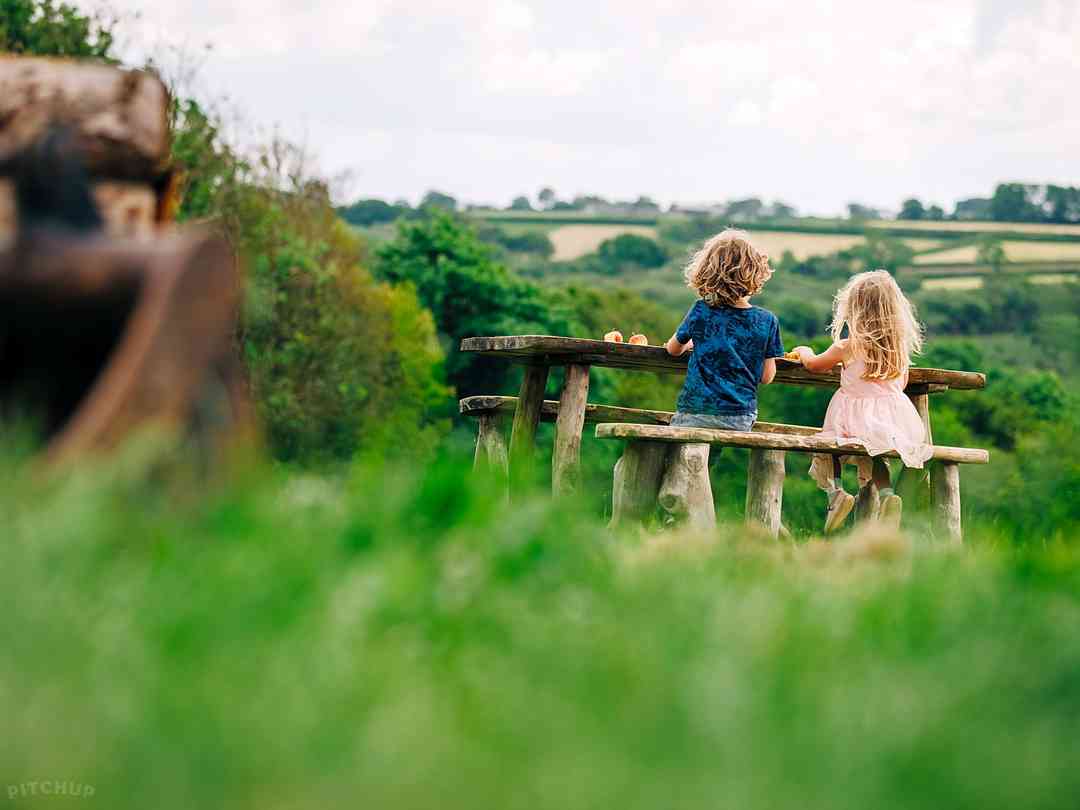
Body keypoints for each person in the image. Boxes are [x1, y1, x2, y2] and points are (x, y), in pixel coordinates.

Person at [791, 269, 932, 533]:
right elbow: (900, 384)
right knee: (876, 453)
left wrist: (803, 351)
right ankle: (889, 495)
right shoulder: (898, 349)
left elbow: (815, 366)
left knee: (829, 444)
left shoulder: (848, 346)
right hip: (893, 420)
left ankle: (836, 494)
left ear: (855, 310)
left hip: (850, 418)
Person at [665, 229, 784, 432]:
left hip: (695, 412)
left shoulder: (701, 310)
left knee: (681, 456)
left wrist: (695, 342)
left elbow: (673, 349)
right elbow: (766, 376)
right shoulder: (767, 320)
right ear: (756, 273)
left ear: (706, 271)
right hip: (739, 417)